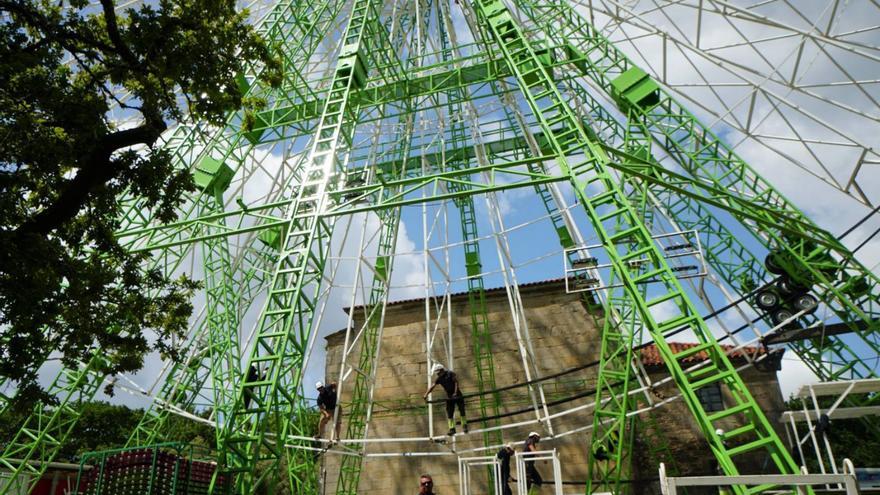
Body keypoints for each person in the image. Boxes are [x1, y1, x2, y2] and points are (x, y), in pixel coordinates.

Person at [423, 363, 468, 436]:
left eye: (438, 372)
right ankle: (452, 429)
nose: (437, 374)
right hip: (449, 396)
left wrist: (455, 392)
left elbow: (456, 383)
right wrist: (426, 394)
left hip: (458, 395)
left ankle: (464, 426)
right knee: (450, 413)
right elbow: (432, 387)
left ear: (442, 370)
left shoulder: (450, 374)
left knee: (462, 410)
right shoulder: (439, 379)